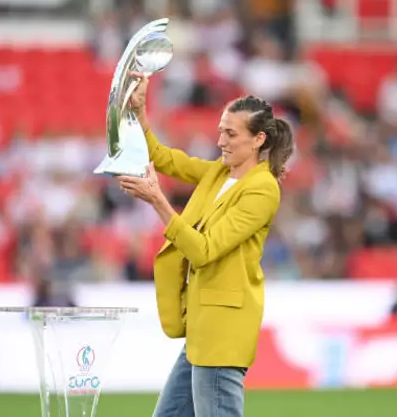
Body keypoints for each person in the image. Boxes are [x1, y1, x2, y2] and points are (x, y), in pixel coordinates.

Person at [116, 72, 294, 417]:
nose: (221, 141)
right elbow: (163, 158)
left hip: (222, 333)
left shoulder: (262, 189)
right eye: (220, 131)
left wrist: (158, 201)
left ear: (258, 139)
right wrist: (139, 112)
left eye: (230, 133)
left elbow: (204, 250)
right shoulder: (219, 173)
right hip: (202, 328)